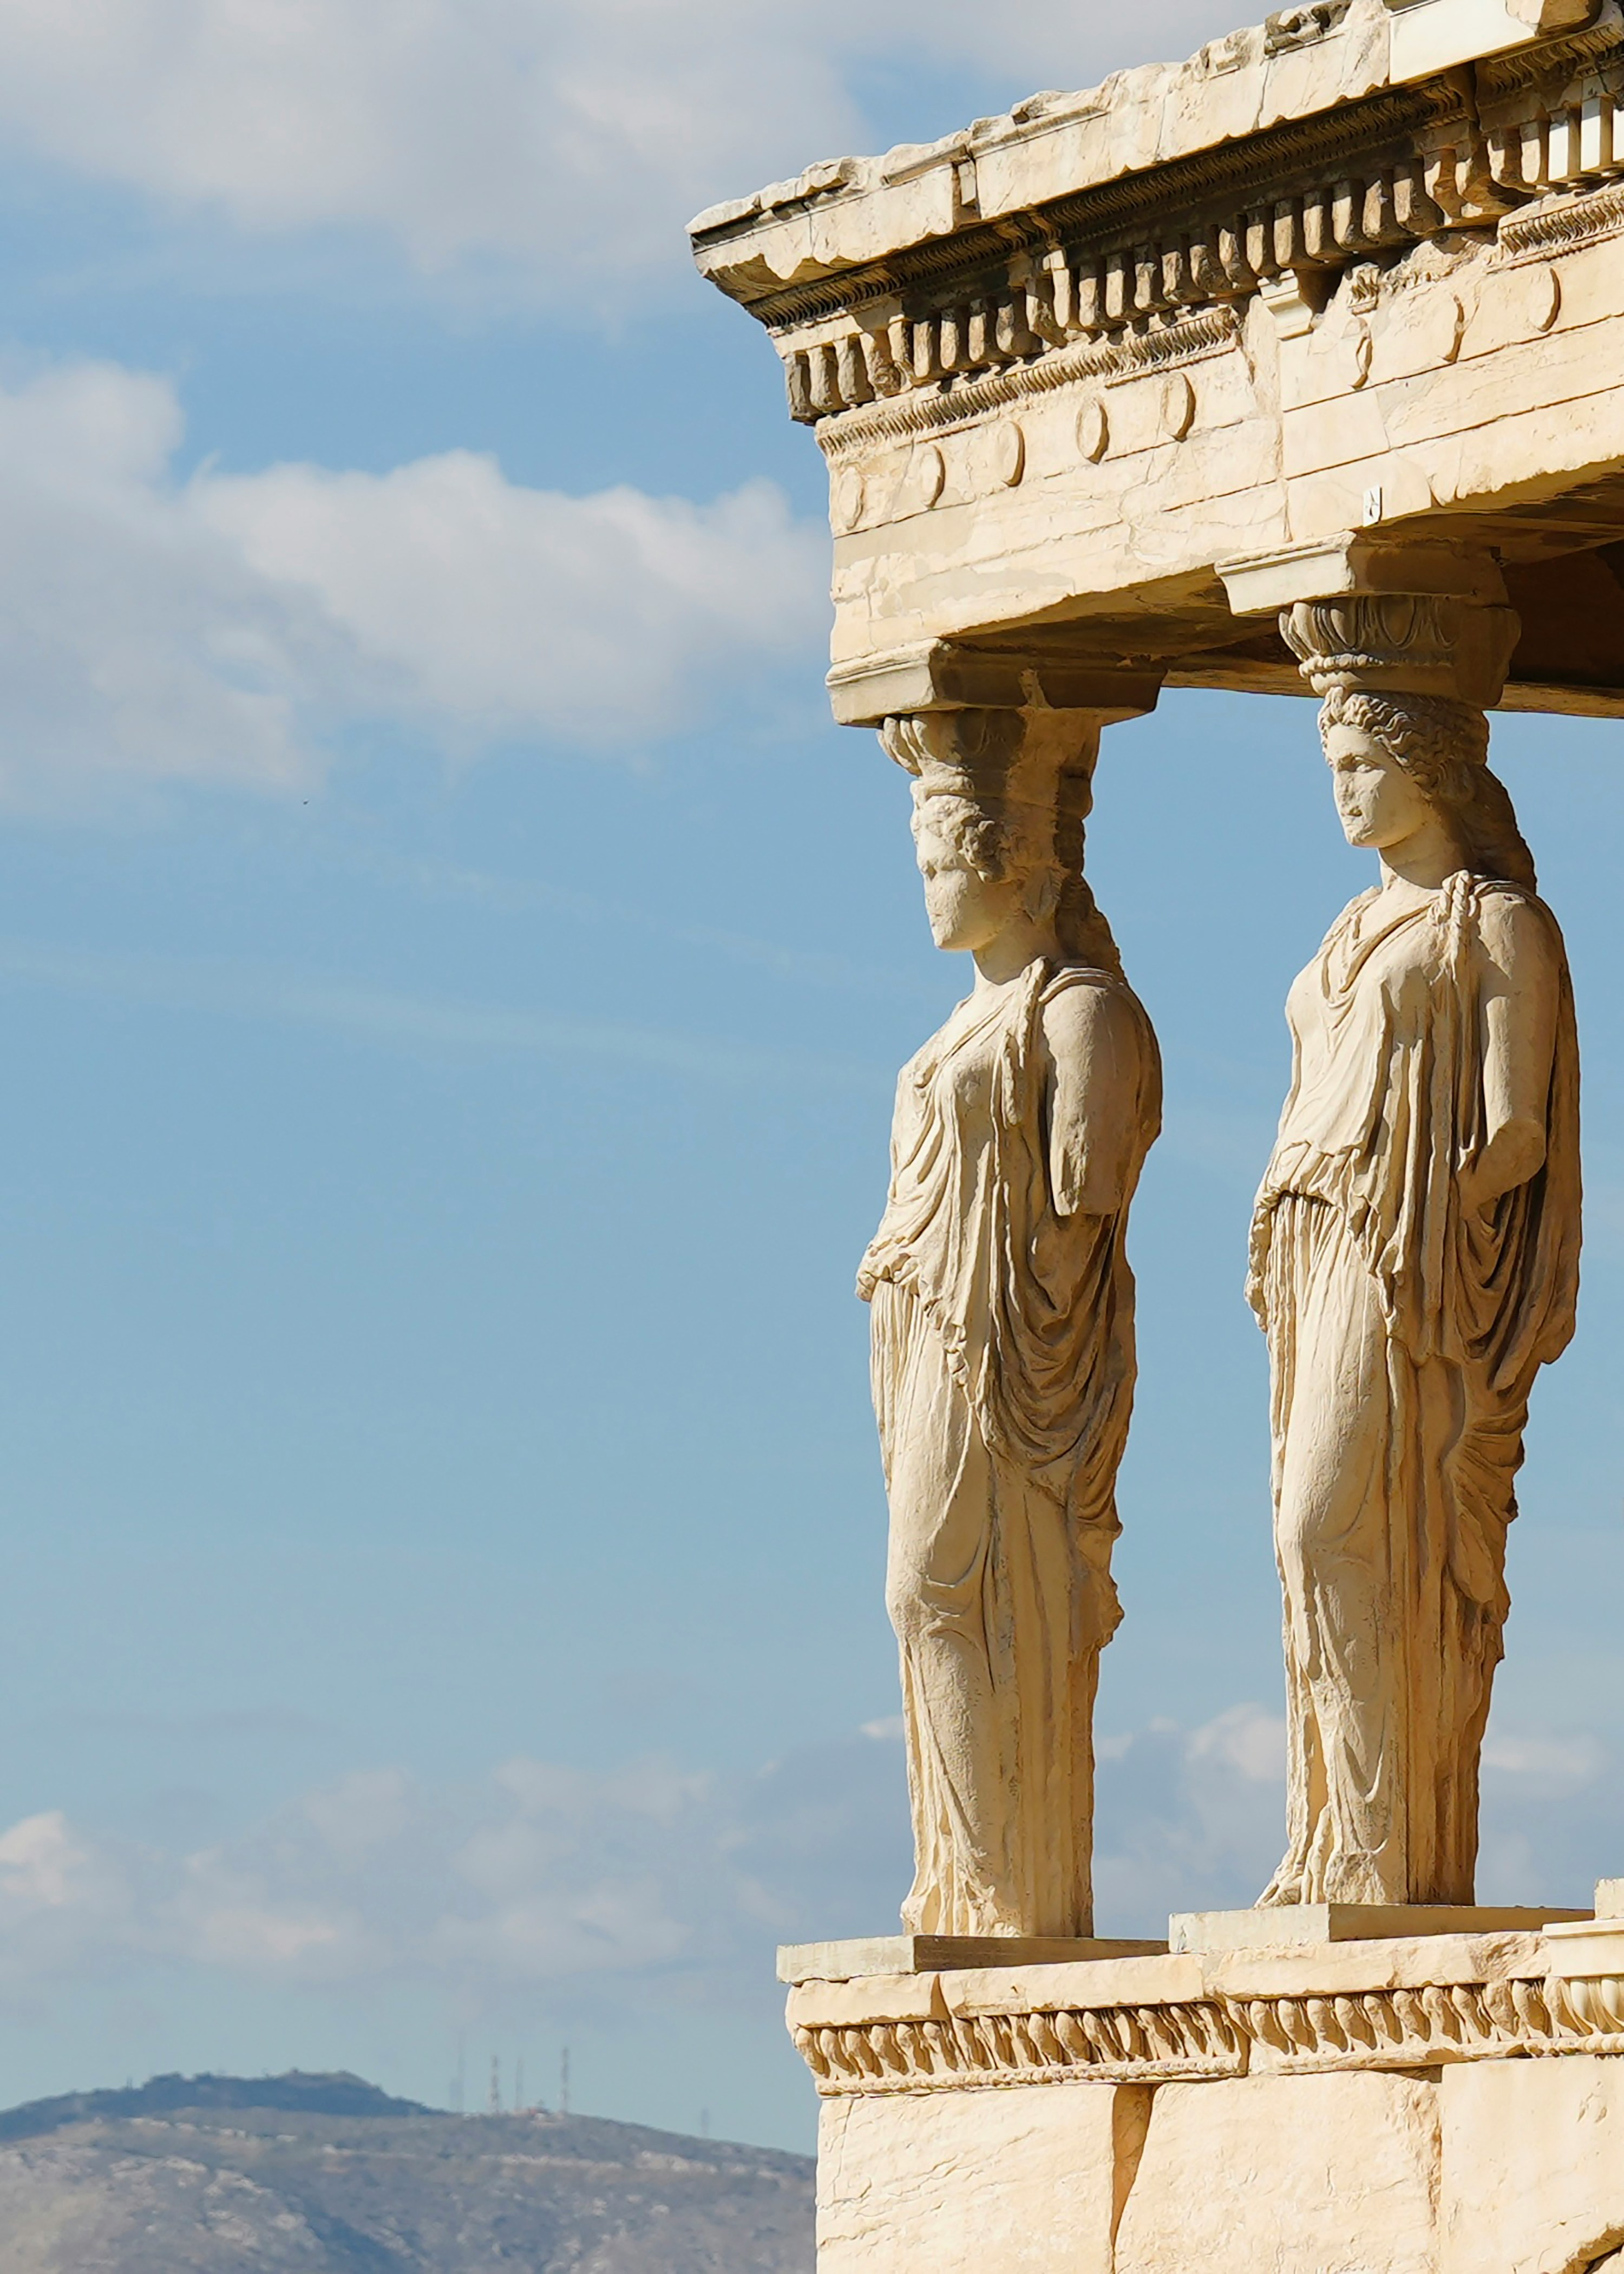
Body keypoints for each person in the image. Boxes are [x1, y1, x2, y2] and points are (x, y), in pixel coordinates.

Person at [1250, 687, 1580, 1907]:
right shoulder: (1346, 925)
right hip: (1310, 1244)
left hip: (1405, 1253)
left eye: (1360, 761)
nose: (1341, 786)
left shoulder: (1498, 926)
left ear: (1430, 769)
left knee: (1330, 1527)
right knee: (1308, 1550)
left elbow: (1520, 1132)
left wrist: (1427, 1201)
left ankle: (1383, 1845)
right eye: (1332, 762)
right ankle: (1330, 1838)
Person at [859, 709, 1161, 1937]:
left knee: (951, 1586)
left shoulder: (1080, 1010)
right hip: (925, 1327)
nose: (928, 893)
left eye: (944, 865)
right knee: (928, 1596)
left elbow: (1087, 1207)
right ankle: (964, 1876)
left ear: (1011, 862)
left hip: (1006, 1348)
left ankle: (1009, 1890)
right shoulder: (951, 1031)